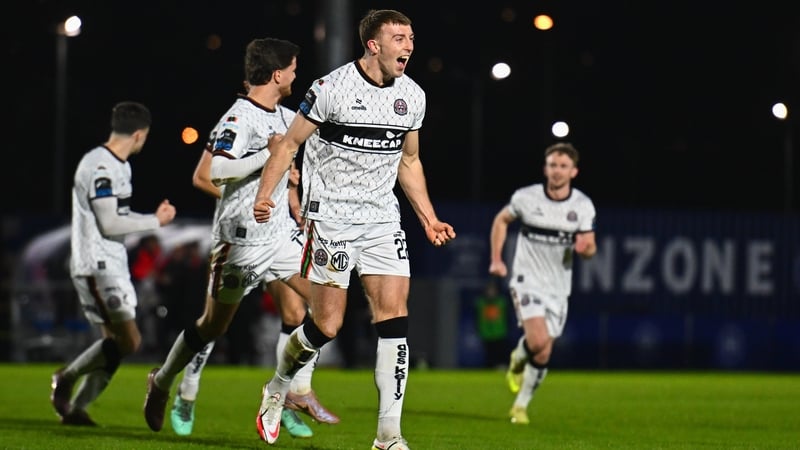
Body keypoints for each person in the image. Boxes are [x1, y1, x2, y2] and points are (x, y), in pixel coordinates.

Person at [252, 9, 456, 449]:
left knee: (394, 318)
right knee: (326, 325)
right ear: (373, 45)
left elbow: (409, 161)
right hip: (331, 218)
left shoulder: (412, 97)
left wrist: (427, 217)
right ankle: (278, 387)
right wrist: (265, 194)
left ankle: (388, 436)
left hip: (382, 218)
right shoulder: (331, 89)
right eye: (399, 38)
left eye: (411, 37)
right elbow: (288, 144)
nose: (409, 46)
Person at [142, 37, 338, 436]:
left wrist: (292, 187)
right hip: (240, 242)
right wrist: (267, 157)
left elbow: (284, 164)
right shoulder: (239, 118)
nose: (296, 75)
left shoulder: (285, 118)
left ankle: (289, 391)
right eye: (294, 69)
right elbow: (213, 173)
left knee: (327, 302)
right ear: (278, 73)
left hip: (281, 236)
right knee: (213, 326)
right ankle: (163, 381)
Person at [50, 101, 177, 426]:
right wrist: (155, 222)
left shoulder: (120, 165)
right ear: (139, 134)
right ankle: (66, 377)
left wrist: (152, 220)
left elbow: (118, 216)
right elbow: (108, 224)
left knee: (117, 344)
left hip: (110, 263)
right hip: (97, 264)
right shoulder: (100, 166)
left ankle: (77, 409)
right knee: (130, 340)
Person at [488, 142, 597, 425]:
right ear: (545, 168)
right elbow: (501, 221)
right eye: (552, 165)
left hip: (558, 287)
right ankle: (520, 395)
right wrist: (497, 259)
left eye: (563, 166)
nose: (557, 171)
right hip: (527, 279)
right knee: (538, 340)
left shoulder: (582, 206)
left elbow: (590, 247)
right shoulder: (526, 198)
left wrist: (586, 249)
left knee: (543, 350)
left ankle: (520, 399)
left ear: (574, 171)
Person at [474, 280, 510, 368]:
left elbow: (508, 317)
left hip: (499, 333)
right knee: (488, 354)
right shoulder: (481, 303)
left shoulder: (501, 302)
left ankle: (500, 367)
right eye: (489, 290)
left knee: (499, 353)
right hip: (486, 333)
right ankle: (489, 368)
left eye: (492, 290)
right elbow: (476, 318)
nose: (491, 292)